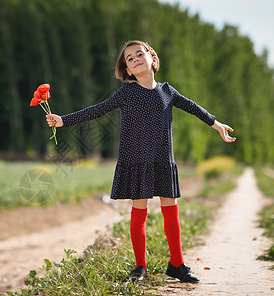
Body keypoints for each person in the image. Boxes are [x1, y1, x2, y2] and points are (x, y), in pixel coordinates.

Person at [45, 40, 236, 283]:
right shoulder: (127, 92)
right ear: (128, 71)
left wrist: (216, 124)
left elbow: (193, 107)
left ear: (152, 59)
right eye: (130, 59)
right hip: (137, 160)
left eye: (139, 54)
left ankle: (177, 264)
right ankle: (140, 267)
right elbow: (98, 110)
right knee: (139, 210)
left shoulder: (168, 91)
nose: (135, 60)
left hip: (162, 159)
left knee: (170, 208)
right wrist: (64, 120)